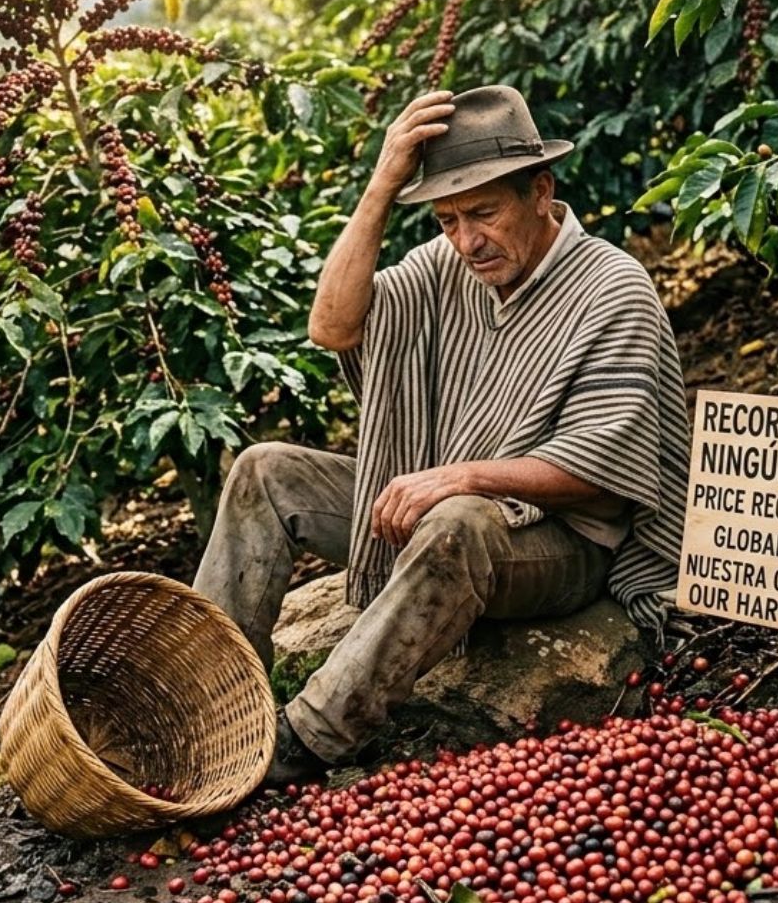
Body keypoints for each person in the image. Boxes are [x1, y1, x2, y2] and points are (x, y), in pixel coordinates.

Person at [193, 86, 691, 781]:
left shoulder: (612, 287)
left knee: (456, 519)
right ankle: (208, 704)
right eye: (448, 219)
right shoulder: (444, 266)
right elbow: (332, 327)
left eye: (483, 212)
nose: (466, 241)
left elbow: (605, 468)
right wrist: (380, 184)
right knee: (263, 470)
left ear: (541, 191)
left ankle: (308, 740)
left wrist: (464, 475)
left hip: (564, 543)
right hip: (442, 519)